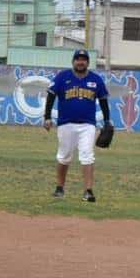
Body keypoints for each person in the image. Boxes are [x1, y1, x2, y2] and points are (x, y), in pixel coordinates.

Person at [44, 48, 109, 203]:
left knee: (87, 156)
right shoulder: (63, 77)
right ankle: (60, 188)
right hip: (65, 124)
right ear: (73, 61)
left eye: (84, 59)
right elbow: (51, 95)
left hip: (88, 125)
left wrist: (107, 121)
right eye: (78, 59)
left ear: (87, 62)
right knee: (64, 156)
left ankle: (88, 191)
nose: (81, 62)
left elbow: (103, 100)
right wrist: (47, 117)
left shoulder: (96, 80)